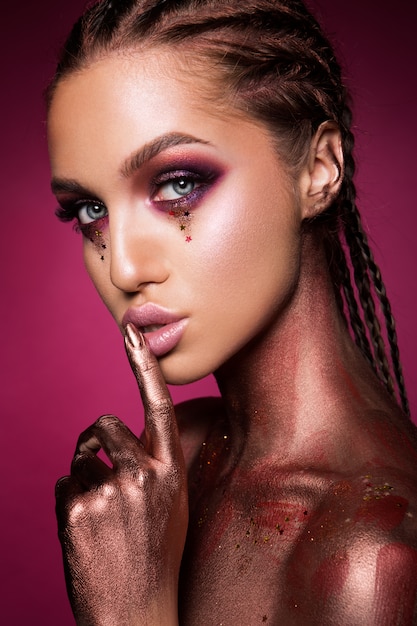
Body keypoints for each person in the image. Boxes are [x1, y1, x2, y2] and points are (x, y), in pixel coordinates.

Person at [47, 0, 417, 623]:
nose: (123, 269)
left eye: (179, 184)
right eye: (91, 210)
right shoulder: (177, 462)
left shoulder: (373, 557)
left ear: (319, 170)